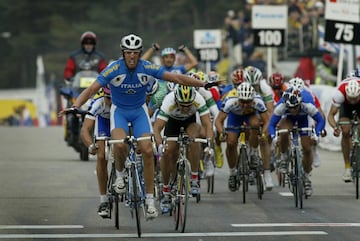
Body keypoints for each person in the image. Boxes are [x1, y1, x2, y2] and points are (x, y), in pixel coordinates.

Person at [68, 33, 212, 219]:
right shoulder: (113, 68)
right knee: (119, 144)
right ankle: (119, 175)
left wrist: (204, 83)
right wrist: (75, 106)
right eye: (129, 52)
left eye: (136, 52)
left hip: (139, 112)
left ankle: (150, 202)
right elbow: (90, 90)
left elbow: (178, 79)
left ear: (140, 53)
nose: (132, 56)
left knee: (147, 150)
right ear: (123, 53)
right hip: (119, 111)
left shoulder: (147, 67)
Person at [153, 84, 214, 213]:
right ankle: (166, 190)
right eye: (182, 105)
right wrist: (160, 147)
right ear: (176, 100)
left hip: (190, 122)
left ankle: (195, 178)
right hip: (172, 122)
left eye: (188, 105)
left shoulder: (198, 99)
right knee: (168, 152)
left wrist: (209, 145)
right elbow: (157, 129)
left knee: (193, 139)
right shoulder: (169, 101)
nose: (186, 108)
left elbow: (207, 124)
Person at [215, 82, 274, 191]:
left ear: (252, 99)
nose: (245, 105)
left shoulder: (258, 101)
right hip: (234, 117)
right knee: (231, 142)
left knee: (255, 125)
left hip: (250, 116)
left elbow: (267, 121)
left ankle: (253, 153)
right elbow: (218, 121)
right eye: (242, 101)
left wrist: (264, 134)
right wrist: (222, 133)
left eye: (248, 102)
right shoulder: (230, 101)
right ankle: (232, 173)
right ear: (238, 98)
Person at [268, 87, 326, 197]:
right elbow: (271, 124)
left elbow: (320, 120)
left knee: (307, 149)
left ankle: (307, 178)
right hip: (288, 119)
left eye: (295, 107)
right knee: (284, 132)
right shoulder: (282, 106)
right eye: (290, 108)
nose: (293, 110)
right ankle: (284, 157)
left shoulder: (307, 104)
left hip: (304, 119)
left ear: (300, 102)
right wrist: (274, 137)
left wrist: (316, 134)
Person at [63, 31, 108, 147]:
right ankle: (69, 130)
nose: (88, 45)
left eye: (91, 42)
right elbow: (68, 70)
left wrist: (103, 78)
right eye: (86, 42)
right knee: (71, 106)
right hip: (77, 88)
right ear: (82, 44)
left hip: (94, 89)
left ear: (94, 44)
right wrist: (69, 77)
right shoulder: (74, 56)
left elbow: (105, 71)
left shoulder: (100, 57)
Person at [80, 86, 111, 218]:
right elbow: (85, 129)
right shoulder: (98, 102)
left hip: (122, 119)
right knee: (101, 156)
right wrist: (90, 146)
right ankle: (104, 201)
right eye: (109, 98)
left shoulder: (124, 99)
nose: (111, 101)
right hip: (104, 122)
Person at [327, 77, 360, 182]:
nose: (353, 101)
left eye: (355, 98)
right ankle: (347, 168)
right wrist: (335, 127)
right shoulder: (339, 94)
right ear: (346, 94)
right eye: (351, 98)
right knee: (345, 131)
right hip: (346, 107)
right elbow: (331, 115)